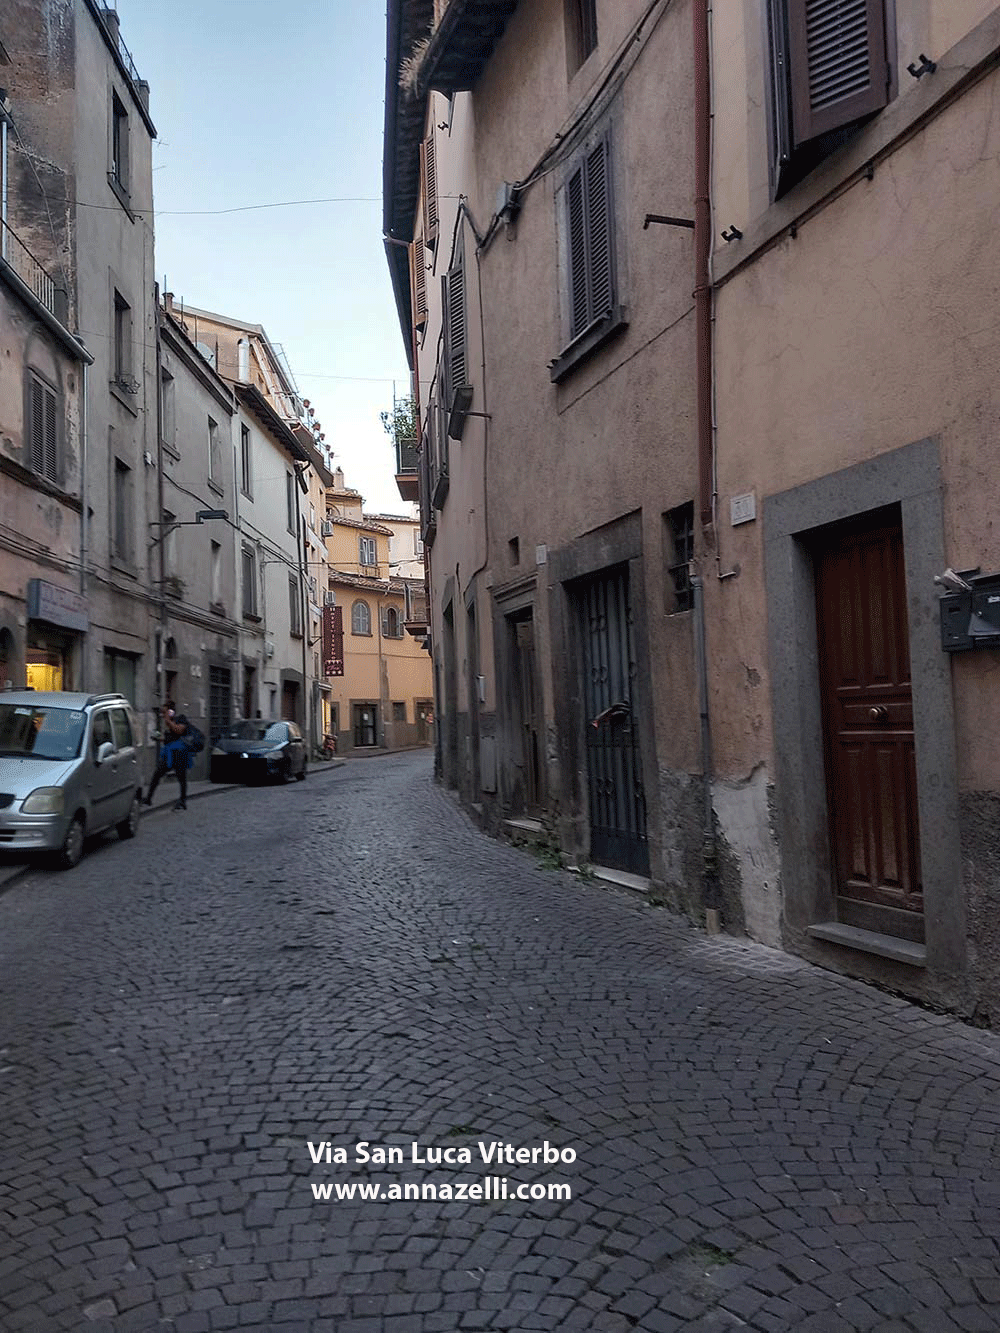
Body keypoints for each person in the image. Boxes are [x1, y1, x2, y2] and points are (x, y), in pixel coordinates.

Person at [143, 700, 191, 811]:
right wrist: (158, 738)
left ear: (171, 711)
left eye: (165, 712)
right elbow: (170, 738)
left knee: (181, 777)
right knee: (157, 773)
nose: (163, 715)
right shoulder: (168, 722)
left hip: (180, 753)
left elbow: (178, 731)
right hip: (169, 754)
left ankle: (183, 801)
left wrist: (168, 720)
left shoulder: (180, 719)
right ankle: (149, 798)